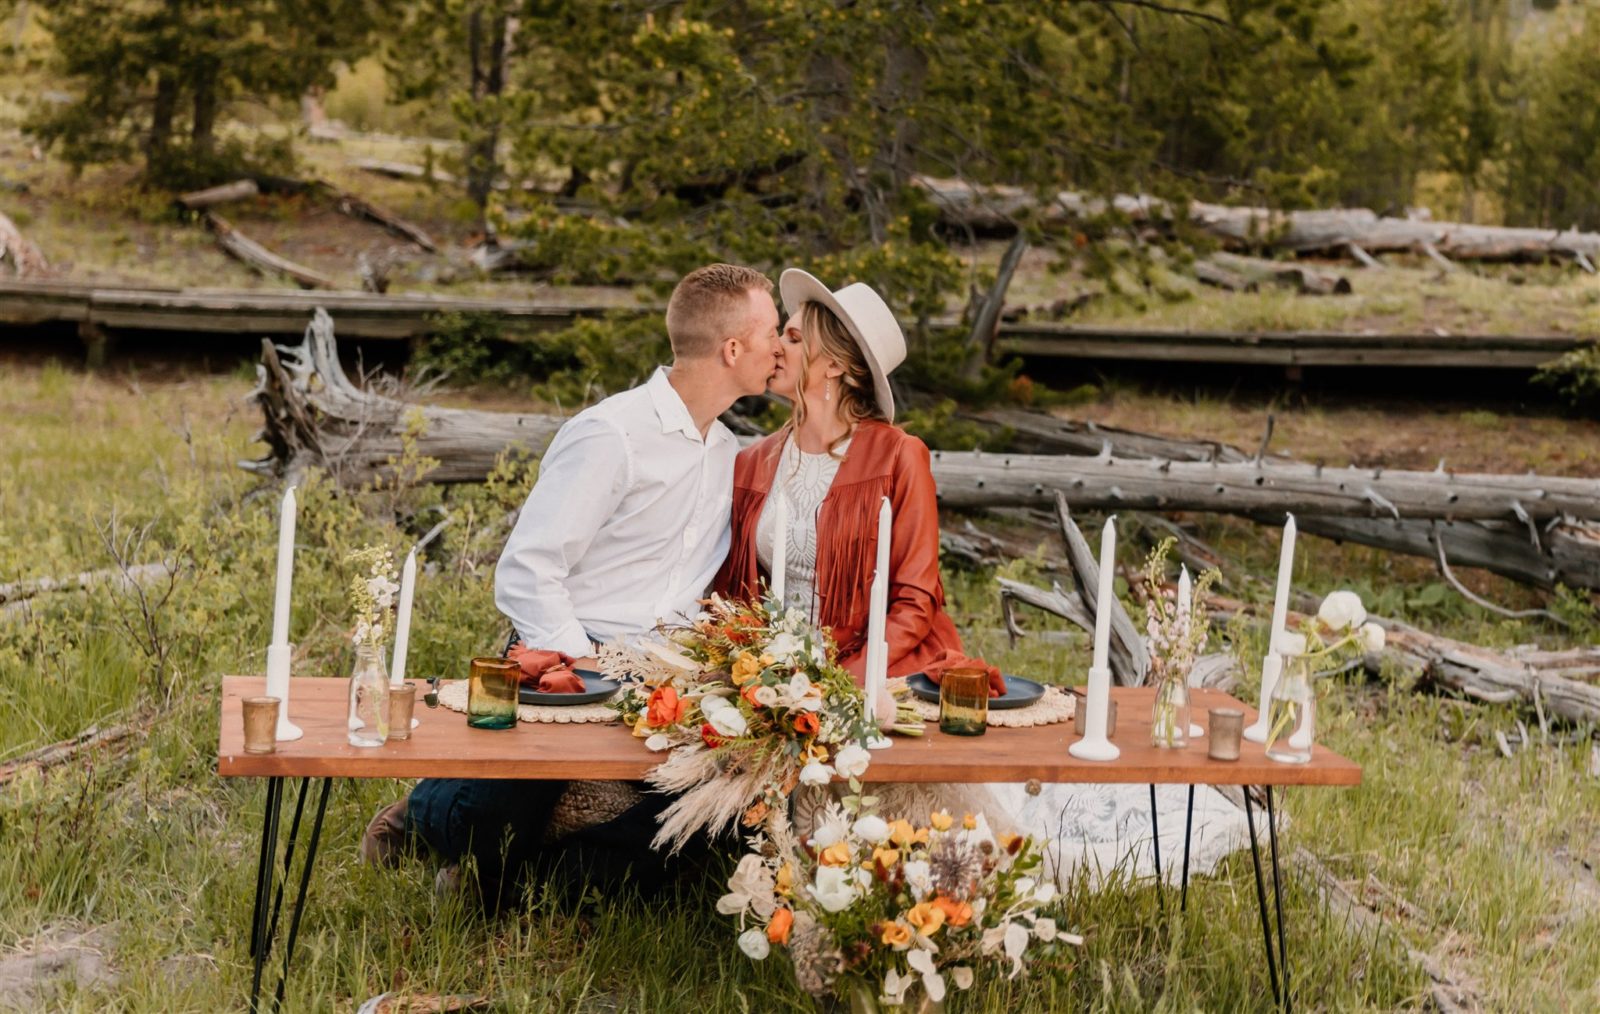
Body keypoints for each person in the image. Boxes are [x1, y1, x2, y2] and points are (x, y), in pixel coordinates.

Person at [721, 269, 1249, 890]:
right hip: (782, 679)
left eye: (788, 333)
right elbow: (738, 593)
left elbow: (916, 600)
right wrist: (755, 672)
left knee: (936, 834)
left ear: (834, 363)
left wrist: (843, 683)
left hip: (880, 670)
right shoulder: (753, 461)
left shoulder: (897, 455)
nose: (771, 346)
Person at [362, 263, 781, 909]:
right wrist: (581, 666)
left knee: (696, 817)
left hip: (666, 678)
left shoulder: (728, 452)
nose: (780, 346)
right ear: (732, 350)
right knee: (501, 802)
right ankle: (421, 820)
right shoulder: (611, 434)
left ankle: (529, 886)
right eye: (773, 332)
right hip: (568, 652)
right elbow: (529, 568)